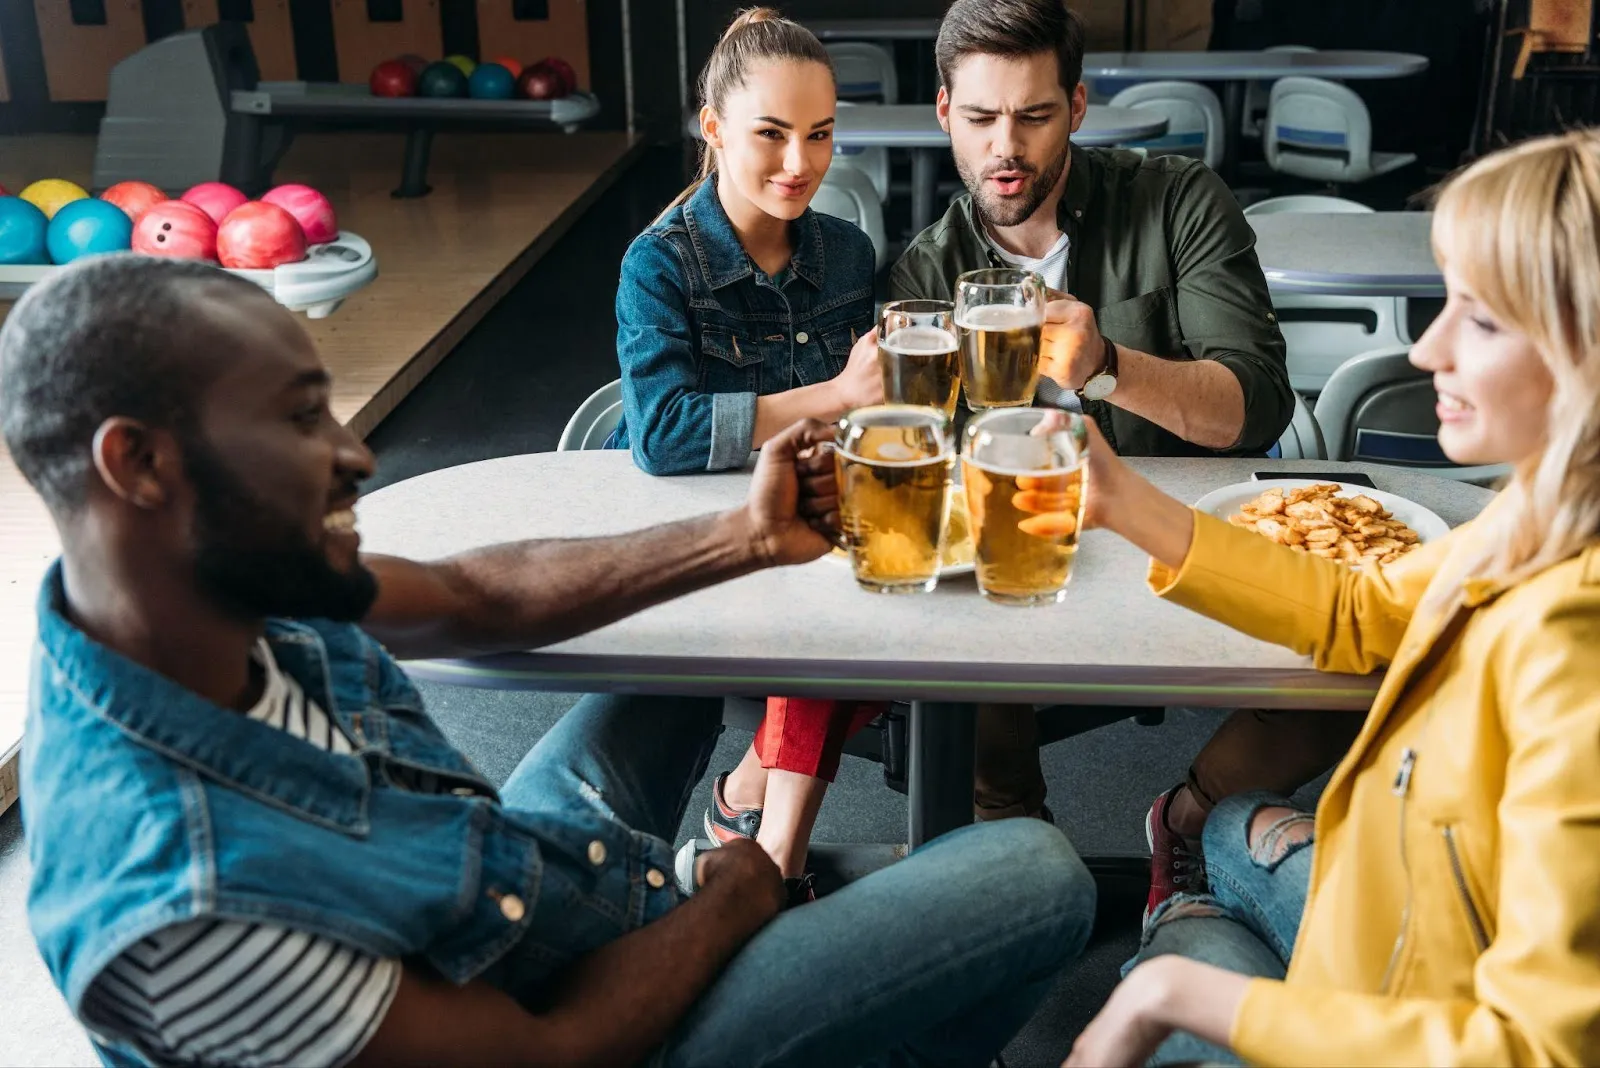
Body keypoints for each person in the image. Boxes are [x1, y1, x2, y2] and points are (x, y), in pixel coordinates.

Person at [1, 255, 1097, 1067]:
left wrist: (745, 540)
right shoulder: (184, 913)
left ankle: (743, 879)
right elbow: (547, 1053)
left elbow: (476, 596)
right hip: (574, 1031)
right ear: (138, 465)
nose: (353, 452)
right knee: (1037, 876)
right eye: (299, 418)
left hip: (499, 882)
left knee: (671, 665)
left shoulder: (208, 582)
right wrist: (739, 894)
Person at [1062, 130, 1600, 1067]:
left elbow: (1535, 1050)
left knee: (1174, 989)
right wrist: (1129, 505)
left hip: (1415, 1023)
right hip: (1411, 938)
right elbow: (1357, 611)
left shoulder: (1573, 642)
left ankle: (1185, 930)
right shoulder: (1536, 517)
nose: (1426, 347)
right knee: (1228, 822)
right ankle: (1200, 861)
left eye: (1479, 318)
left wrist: (1175, 993)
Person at [890, 0, 1334, 920]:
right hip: (1022, 554)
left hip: (1174, 529)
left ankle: (1190, 815)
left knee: (1348, 666)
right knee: (953, 648)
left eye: (1034, 114)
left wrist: (1106, 366)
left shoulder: (1177, 199)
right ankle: (1022, 866)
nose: (1004, 146)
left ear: (1079, 106)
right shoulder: (925, 275)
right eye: (979, 119)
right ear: (944, 115)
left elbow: (1253, 405)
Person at [609, 8, 888, 902]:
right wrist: (837, 396)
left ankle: (747, 803)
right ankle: (773, 863)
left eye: (820, 135)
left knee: (916, 628)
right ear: (716, 129)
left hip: (815, 531)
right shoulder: (659, 265)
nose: (800, 163)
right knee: (838, 637)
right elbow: (665, 435)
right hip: (701, 539)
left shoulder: (847, 254)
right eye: (771, 135)